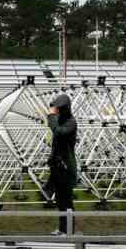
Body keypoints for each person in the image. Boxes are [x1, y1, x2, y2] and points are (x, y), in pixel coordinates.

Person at [46, 94, 78, 236]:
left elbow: (58, 133)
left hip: (66, 168)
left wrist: (51, 117)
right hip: (58, 167)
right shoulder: (61, 120)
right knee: (60, 200)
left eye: (57, 108)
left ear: (63, 109)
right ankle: (62, 229)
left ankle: (69, 230)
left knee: (67, 201)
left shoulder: (71, 122)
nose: (55, 111)